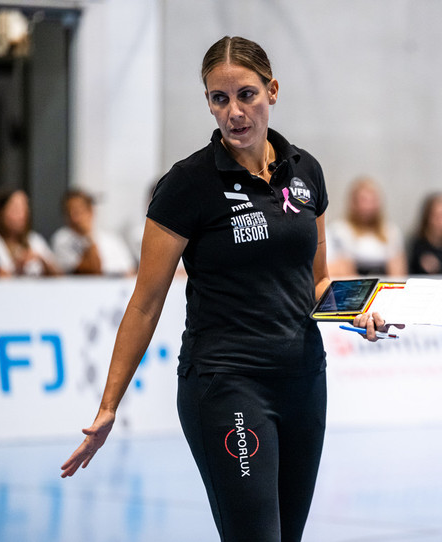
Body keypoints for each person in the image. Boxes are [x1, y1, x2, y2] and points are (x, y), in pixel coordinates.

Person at [61, 36, 341, 542]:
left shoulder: (306, 172)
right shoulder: (188, 185)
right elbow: (145, 304)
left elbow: (318, 280)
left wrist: (359, 311)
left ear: (272, 91)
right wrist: (108, 407)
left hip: (304, 382)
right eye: (219, 98)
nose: (234, 112)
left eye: (247, 95)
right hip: (227, 384)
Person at [326, 176, 407, 277]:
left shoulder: (391, 231)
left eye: (372, 201)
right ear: (353, 203)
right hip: (354, 285)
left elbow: (398, 272)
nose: (368, 206)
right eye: (363, 200)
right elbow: (340, 268)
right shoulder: (339, 230)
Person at [51, 189, 136, 276]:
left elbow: (130, 270)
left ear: (90, 211)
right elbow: (92, 270)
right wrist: (89, 237)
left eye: (77, 211)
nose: (73, 218)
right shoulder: (62, 239)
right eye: (68, 212)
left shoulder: (111, 240)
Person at [0, 188, 60, 277]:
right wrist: (16, 266)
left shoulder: (33, 239)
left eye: (25, 209)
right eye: (15, 209)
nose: (22, 215)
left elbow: (59, 274)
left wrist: (41, 260)